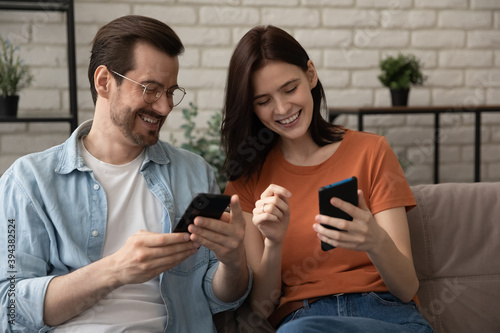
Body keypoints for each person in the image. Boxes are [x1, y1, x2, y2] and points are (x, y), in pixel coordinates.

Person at [0, 15, 250, 333]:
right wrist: (117, 269)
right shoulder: (28, 182)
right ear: (104, 81)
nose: (164, 107)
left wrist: (233, 259)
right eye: (150, 90)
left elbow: (223, 299)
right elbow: (8, 308)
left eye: (171, 92)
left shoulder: (193, 172)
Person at [221, 25, 433, 333]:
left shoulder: (371, 151)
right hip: (304, 322)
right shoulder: (247, 181)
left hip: (387, 315)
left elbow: (405, 287)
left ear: (310, 75)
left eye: (290, 88)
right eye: (263, 100)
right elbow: (262, 308)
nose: (282, 109)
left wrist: (373, 239)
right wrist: (274, 243)